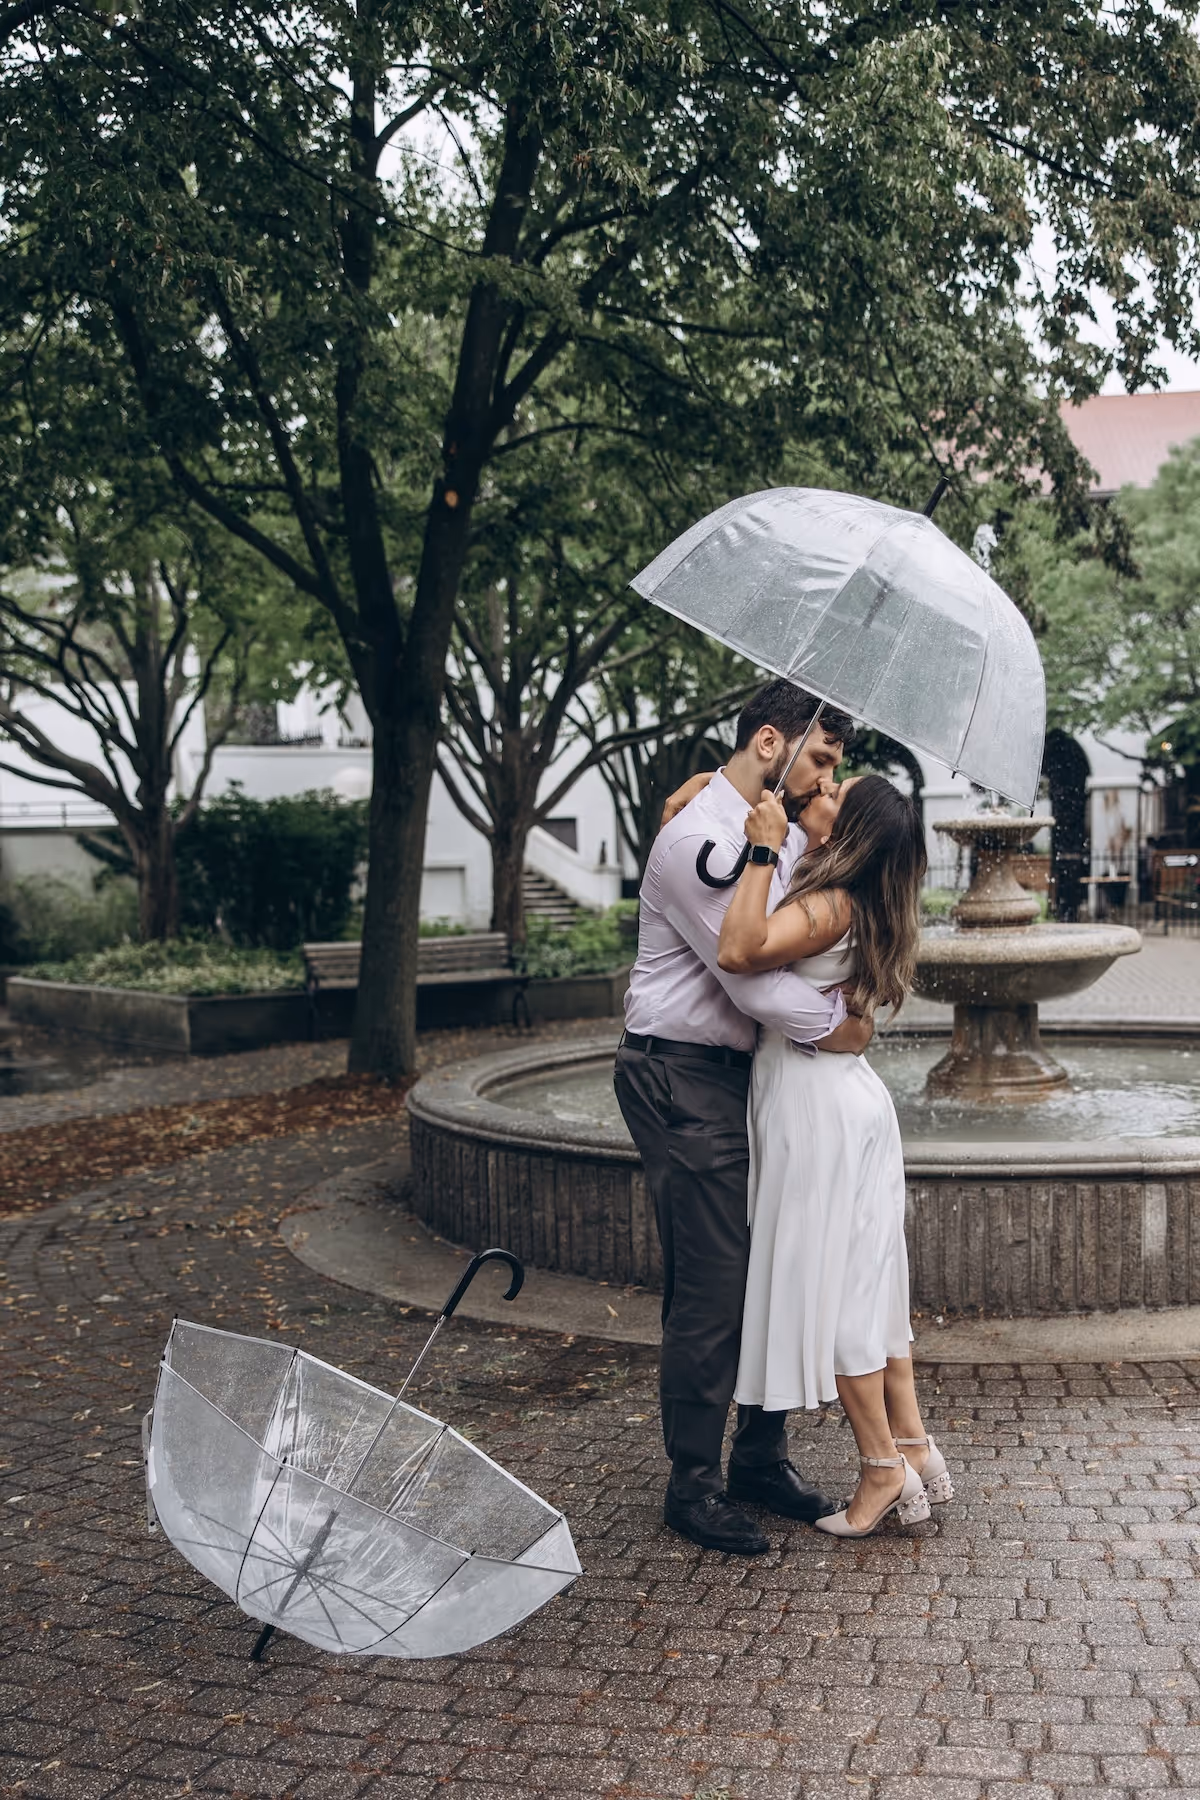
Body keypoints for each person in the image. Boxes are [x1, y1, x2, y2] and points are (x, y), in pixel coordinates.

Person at [614, 680, 872, 1556]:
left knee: (771, 1269)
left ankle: (760, 1460)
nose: (828, 777)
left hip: (747, 1078)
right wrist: (839, 1028)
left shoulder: (780, 831)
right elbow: (750, 977)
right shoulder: (696, 840)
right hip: (679, 1076)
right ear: (773, 742)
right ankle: (692, 1487)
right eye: (823, 760)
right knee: (714, 1286)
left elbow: (803, 929)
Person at [717, 773, 953, 1536]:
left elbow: (740, 947)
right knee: (876, 1289)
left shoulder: (830, 904)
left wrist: (759, 848)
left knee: (843, 1294)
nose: (815, 788)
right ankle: (915, 1448)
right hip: (850, 1094)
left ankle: (880, 1469)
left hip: (814, 1104)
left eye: (831, 790)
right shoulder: (869, 900)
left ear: (846, 824)